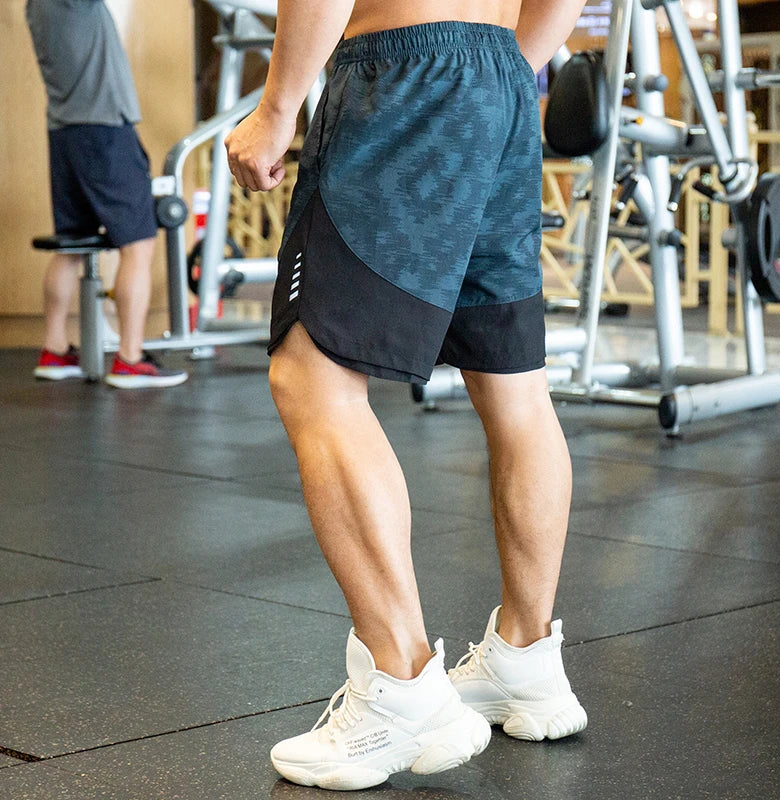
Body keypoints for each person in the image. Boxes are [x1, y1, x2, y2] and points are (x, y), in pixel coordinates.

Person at [226, 0, 587, 790]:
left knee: (311, 375)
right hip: (501, 74)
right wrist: (500, 69)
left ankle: (400, 687)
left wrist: (277, 109)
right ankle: (526, 659)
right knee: (515, 383)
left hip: (402, 71)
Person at [26, 0, 188, 389]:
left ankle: (54, 350)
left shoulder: (33, 6)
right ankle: (130, 359)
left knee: (71, 243)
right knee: (138, 244)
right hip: (104, 130)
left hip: (64, 132)